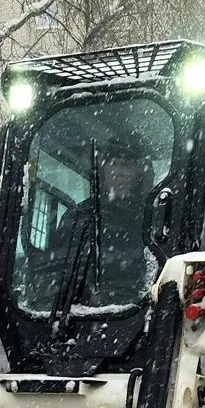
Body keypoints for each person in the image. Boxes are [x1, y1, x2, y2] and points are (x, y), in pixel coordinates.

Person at [43, 127, 165, 310]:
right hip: (79, 311)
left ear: (140, 172)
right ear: (103, 169)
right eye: (114, 163)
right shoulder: (79, 215)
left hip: (141, 311)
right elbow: (57, 266)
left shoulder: (153, 218)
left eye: (127, 165)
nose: (120, 172)